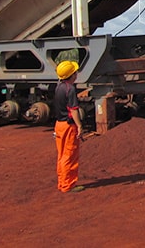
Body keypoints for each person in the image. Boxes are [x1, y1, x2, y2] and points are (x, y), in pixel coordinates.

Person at [54, 60, 85, 193]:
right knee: (70, 155)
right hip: (68, 126)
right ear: (72, 74)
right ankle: (68, 185)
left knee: (61, 155)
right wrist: (79, 125)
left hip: (59, 125)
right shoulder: (70, 89)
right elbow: (73, 109)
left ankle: (62, 183)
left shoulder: (59, 87)